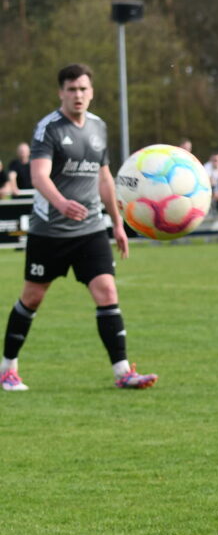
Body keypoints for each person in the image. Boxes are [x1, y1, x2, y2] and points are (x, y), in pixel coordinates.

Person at [1, 63, 157, 392]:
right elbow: (39, 175)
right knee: (32, 298)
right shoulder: (49, 129)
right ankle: (7, 369)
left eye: (83, 89)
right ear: (61, 93)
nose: (78, 95)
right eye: (71, 89)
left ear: (92, 92)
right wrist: (60, 203)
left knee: (107, 292)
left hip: (90, 230)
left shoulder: (99, 127)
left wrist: (118, 223)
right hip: (50, 232)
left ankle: (123, 372)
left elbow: (104, 177)